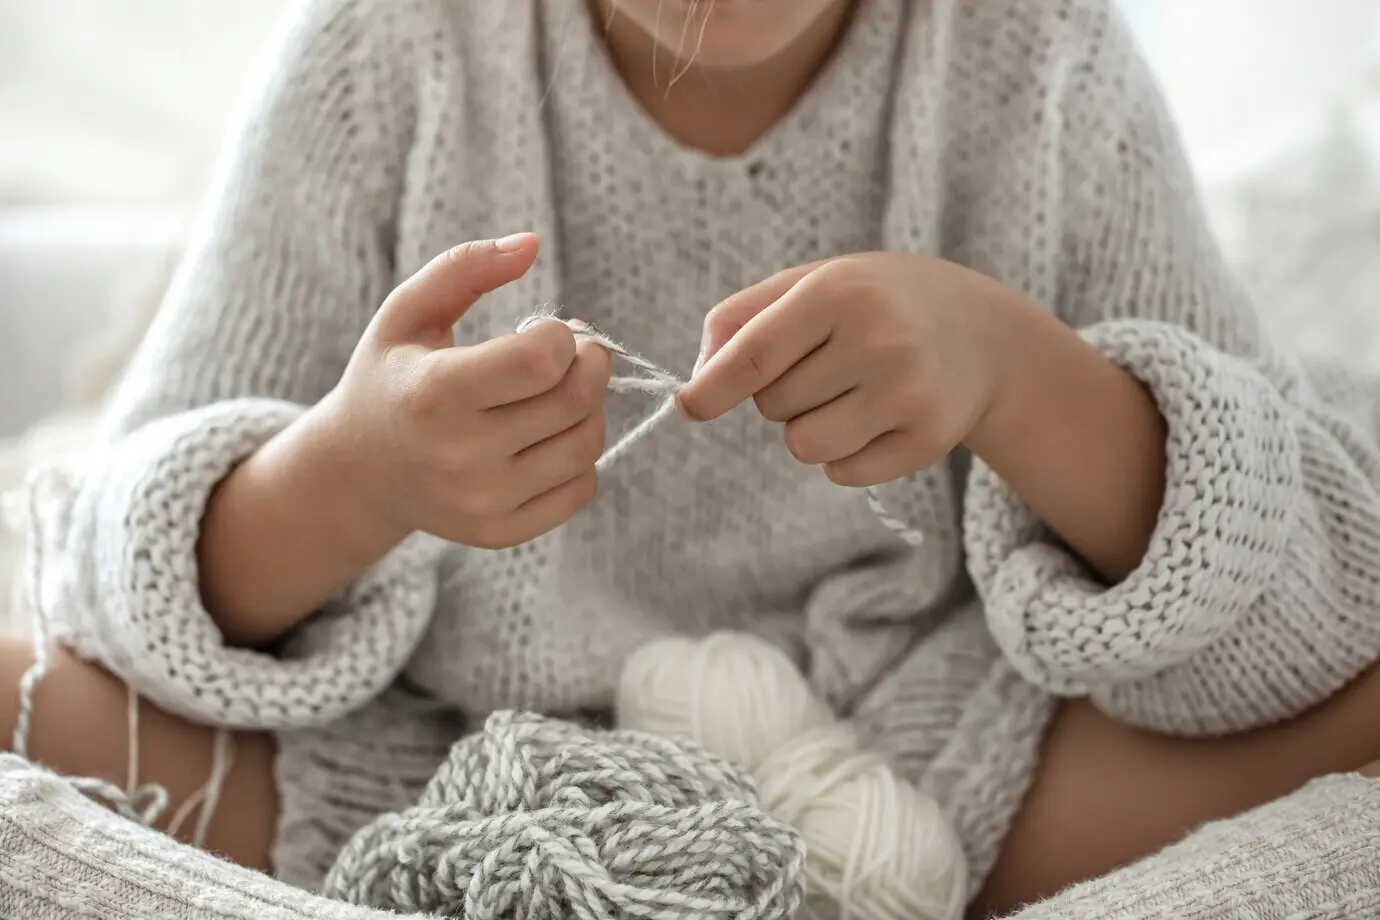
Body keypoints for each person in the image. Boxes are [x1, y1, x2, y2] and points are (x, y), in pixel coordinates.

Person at [4, 0, 1380, 915]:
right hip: (434, 779)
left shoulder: (1044, 57)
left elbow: (1309, 596)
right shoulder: (387, 49)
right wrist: (346, 484)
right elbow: (112, 578)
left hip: (940, 773)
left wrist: (1020, 376)